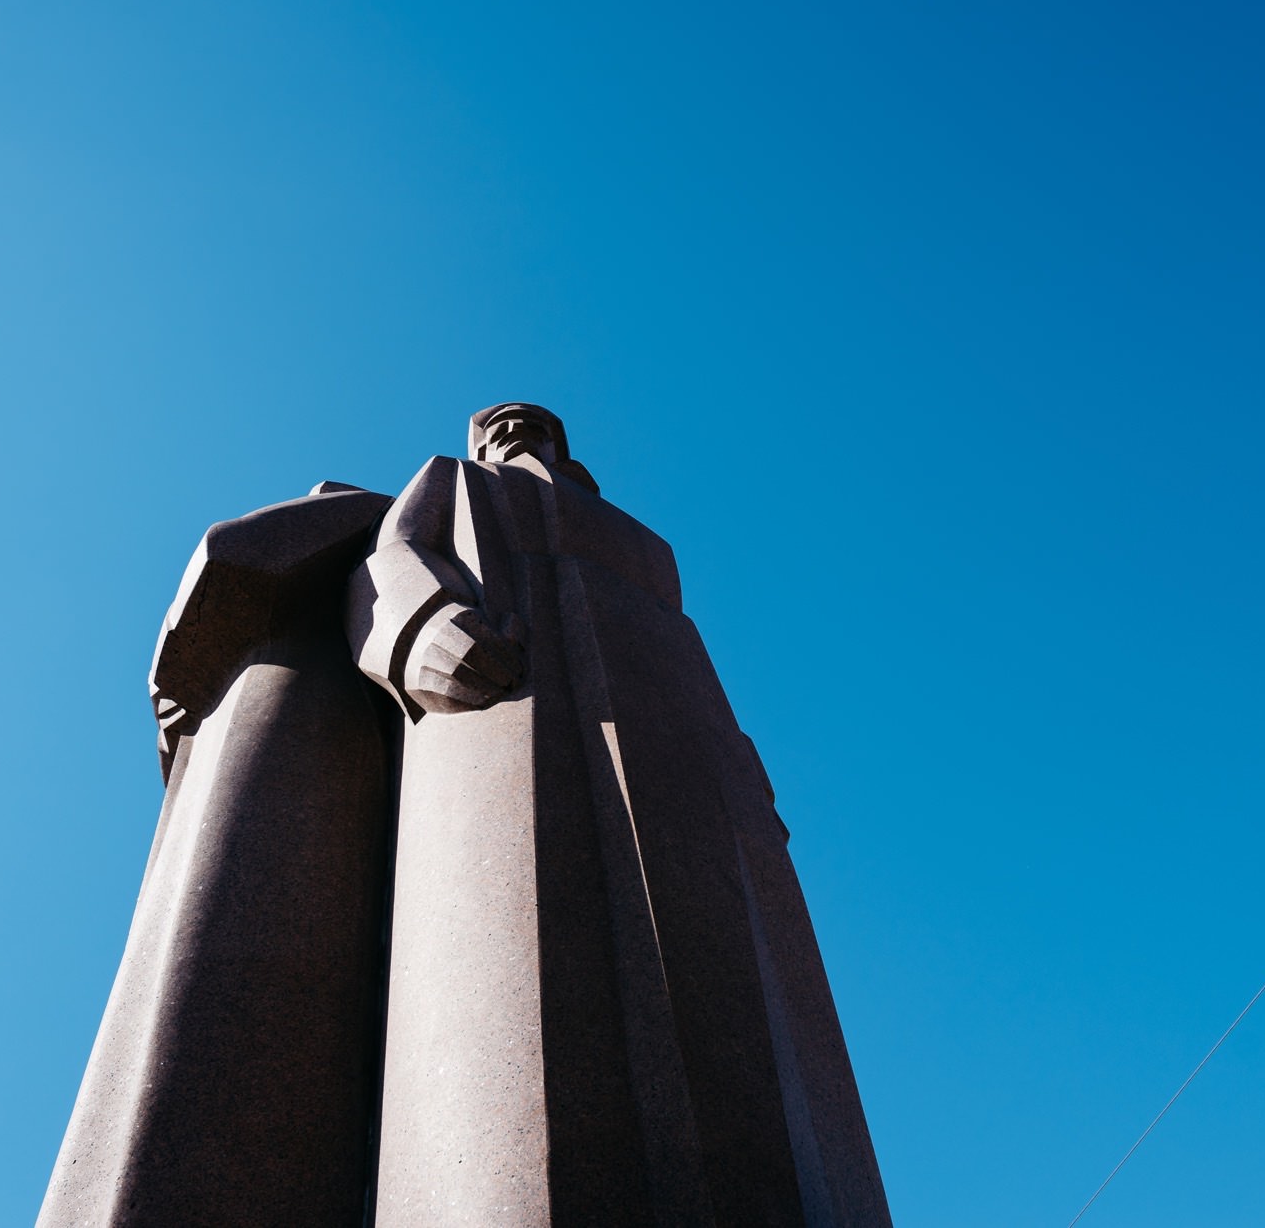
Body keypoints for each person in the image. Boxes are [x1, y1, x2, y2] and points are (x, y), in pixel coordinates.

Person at [348, 403, 890, 1227]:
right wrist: (423, 627)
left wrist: (741, 767)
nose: (514, 432)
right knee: (525, 974)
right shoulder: (451, 481)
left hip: (679, 751)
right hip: (512, 693)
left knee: (737, 1016)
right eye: (496, 424)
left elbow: (688, 645)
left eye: (532, 424)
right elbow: (392, 557)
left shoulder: (637, 538)